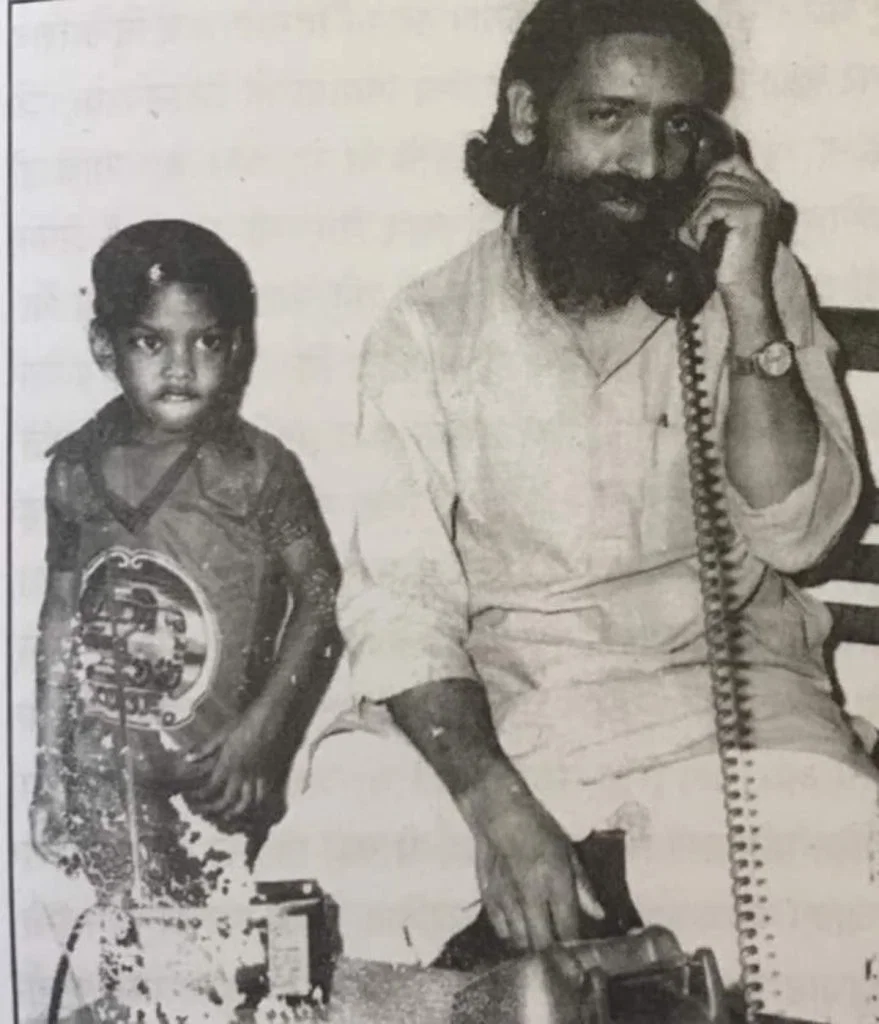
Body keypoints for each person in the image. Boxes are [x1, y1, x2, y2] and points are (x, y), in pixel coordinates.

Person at [258, 1, 879, 1019]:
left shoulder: (751, 282)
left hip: (711, 705)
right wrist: (492, 802)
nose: (646, 163)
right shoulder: (427, 325)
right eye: (607, 117)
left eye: (678, 126)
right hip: (504, 713)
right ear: (527, 115)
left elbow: (802, 532)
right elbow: (401, 602)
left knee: (834, 891)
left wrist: (748, 304)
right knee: (312, 899)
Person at [29, 219, 342, 912]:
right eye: (151, 342)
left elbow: (322, 596)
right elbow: (58, 621)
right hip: (105, 778)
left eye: (207, 341)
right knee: (131, 946)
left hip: (217, 773)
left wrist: (262, 733)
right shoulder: (74, 469)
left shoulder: (256, 469)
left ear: (238, 347)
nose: (181, 367)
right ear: (104, 346)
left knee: (213, 951)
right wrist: (49, 773)